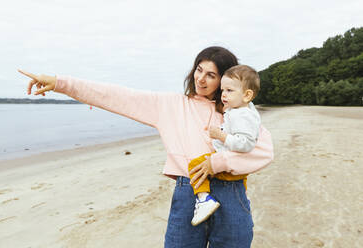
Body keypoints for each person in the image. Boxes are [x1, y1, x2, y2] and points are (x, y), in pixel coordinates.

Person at [18, 46, 273, 247]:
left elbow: (263, 151)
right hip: (189, 192)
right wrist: (61, 83)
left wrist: (217, 162)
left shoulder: (239, 113)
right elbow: (116, 96)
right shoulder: (172, 105)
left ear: (226, 79)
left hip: (232, 192)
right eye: (198, 69)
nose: (201, 79)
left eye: (211, 74)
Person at [189, 64, 261, 226]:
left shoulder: (242, 115)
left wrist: (221, 135)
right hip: (237, 171)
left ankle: (203, 199)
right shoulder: (243, 111)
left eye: (229, 91)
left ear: (247, 95)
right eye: (222, 90)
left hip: (226, 163)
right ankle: (244, 197)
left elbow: (246, 143)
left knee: (194, 165)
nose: (223, 95)